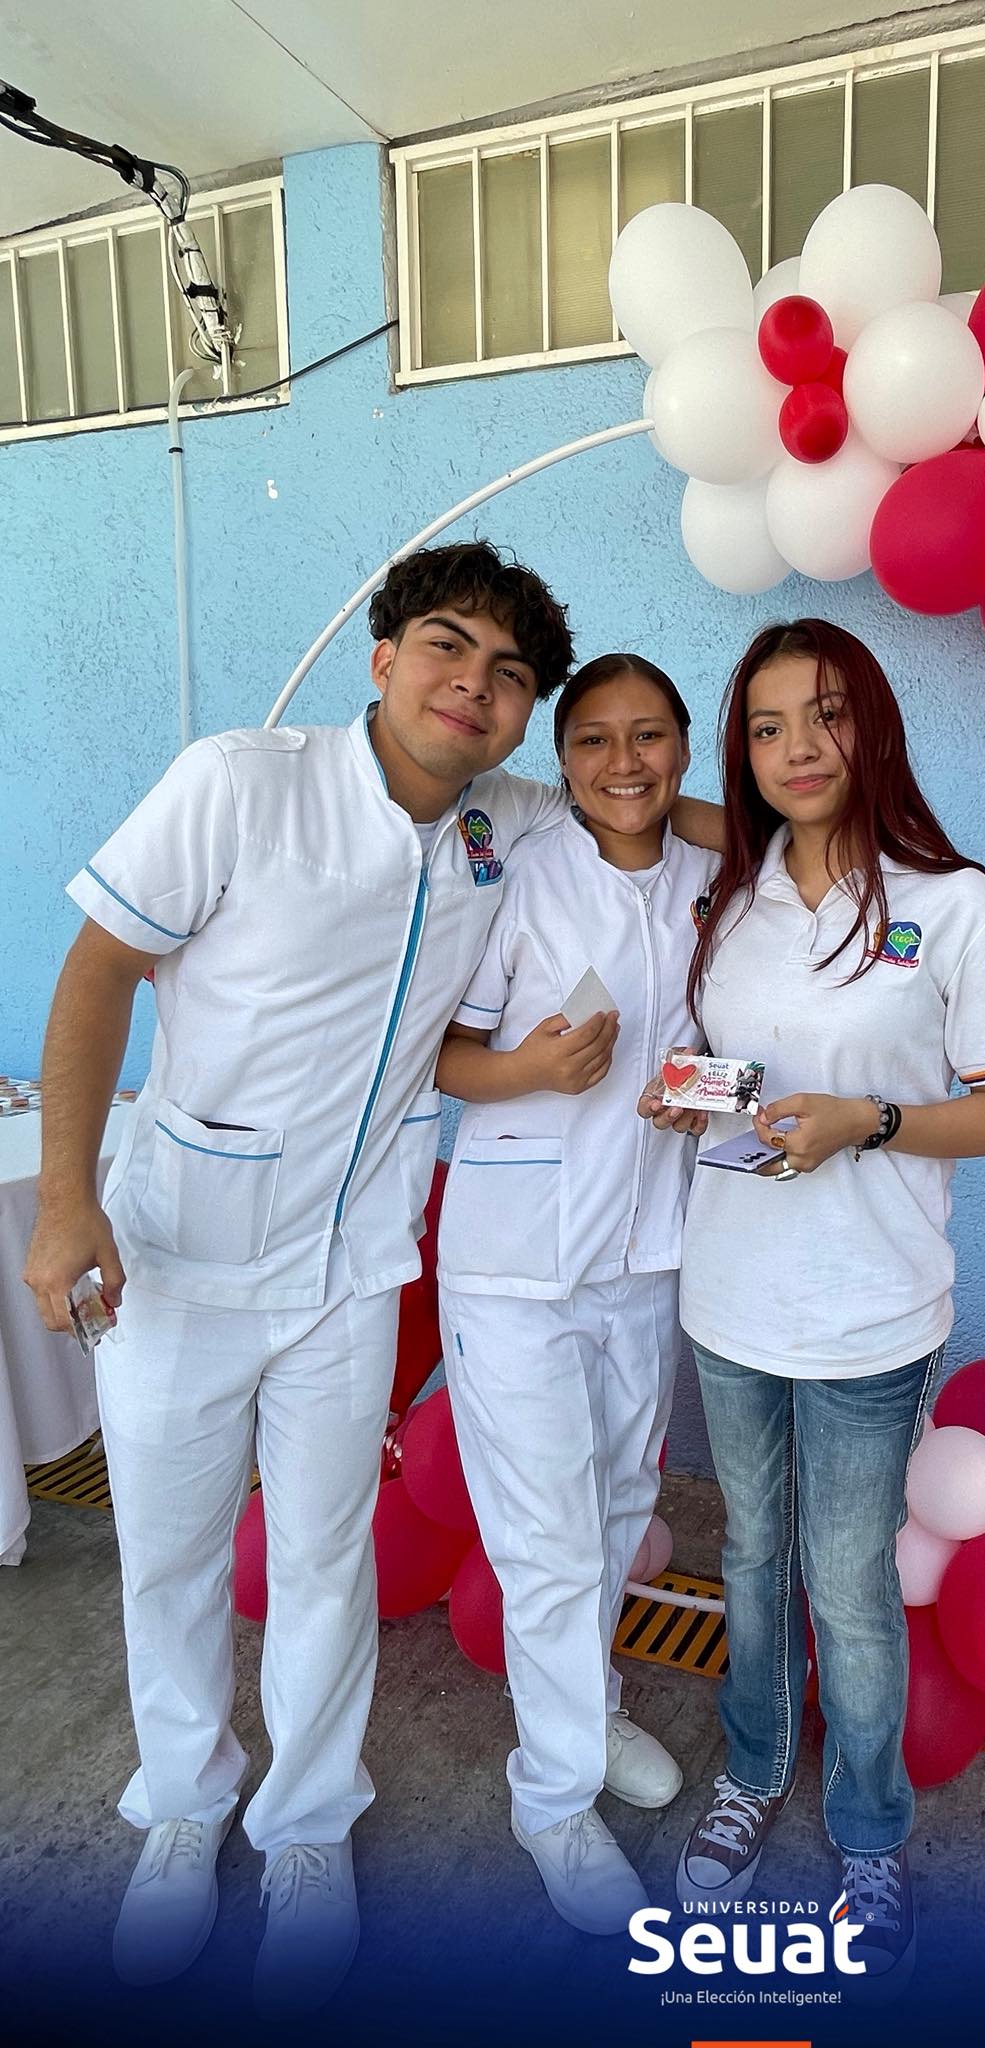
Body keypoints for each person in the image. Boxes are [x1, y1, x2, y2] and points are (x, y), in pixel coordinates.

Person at [21, 545, 719, 2014]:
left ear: (523, 714)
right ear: (385, 655)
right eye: (448, 647)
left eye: (509, 674)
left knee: (326, 1558)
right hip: (182, 1254)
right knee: (170, 1553)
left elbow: (647, 802)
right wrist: (68, 1199)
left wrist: (807, 830)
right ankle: (184, 1803)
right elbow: (96, 972)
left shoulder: (504, 816)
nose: (475, 685)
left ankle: (307, 1827)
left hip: (349, 1270)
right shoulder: (239, 782)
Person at [641, 619, 985, 1983]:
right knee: (752, 1557)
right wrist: (690, 1093)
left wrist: (868, 1120)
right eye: (766, 728)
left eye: (825, 715)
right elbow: (736, 1076)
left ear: (873, 723)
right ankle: (754, 1769)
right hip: (733, 1298)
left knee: (850, 1582)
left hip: (874, 1310)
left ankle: (870, 1829)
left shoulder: (954, 900)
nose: (798, 748)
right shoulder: (732, 897)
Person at [433, 653, 713, 1936]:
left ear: (685, 748)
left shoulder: (717, 881)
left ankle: (588, 1710)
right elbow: (443, 1053)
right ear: (561, 758)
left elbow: (734, 1057)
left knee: (616, 1506)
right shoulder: (522, 874)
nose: (623, 762)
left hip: (646, 1252)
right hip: (517, 1264)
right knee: (545, 1536)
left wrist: (703, 1090)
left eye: (648, 735)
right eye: (594, 738)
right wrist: (533, 1068)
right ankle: (549, 1797)